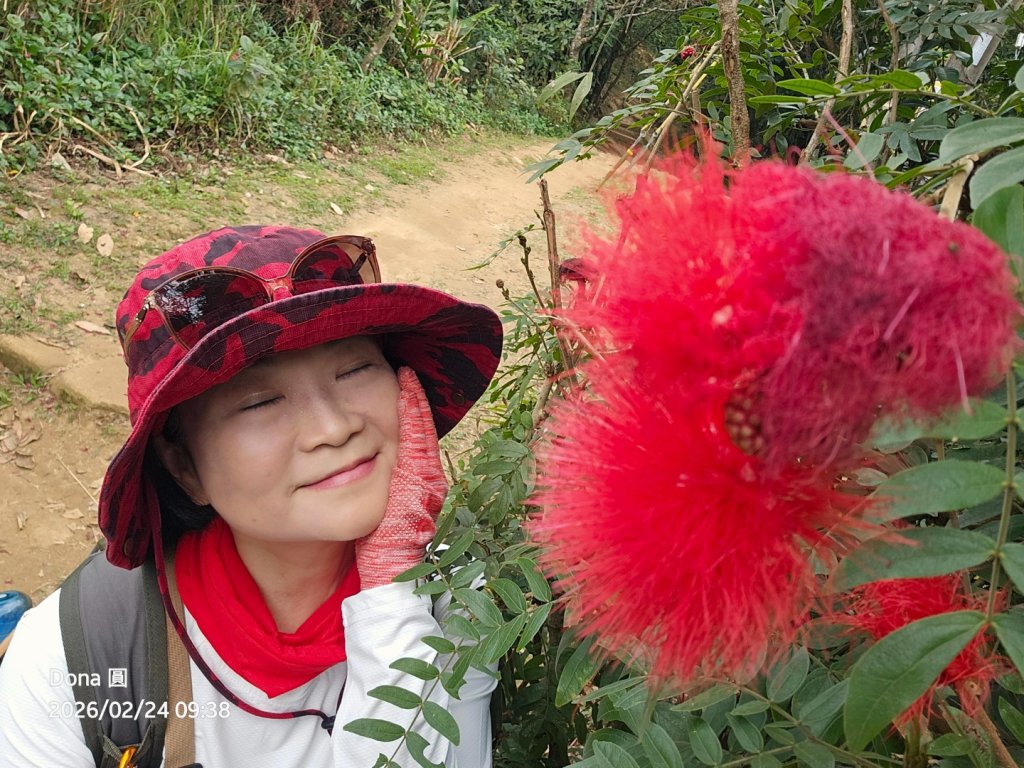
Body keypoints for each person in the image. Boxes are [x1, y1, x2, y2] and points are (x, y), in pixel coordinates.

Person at [0, 226, 504, 767]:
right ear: (183, 465)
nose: (332, 428)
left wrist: (391, 584)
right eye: (259, 401)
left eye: (355, 367)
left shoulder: (458, 602)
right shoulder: (71, 661)